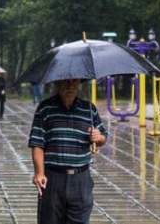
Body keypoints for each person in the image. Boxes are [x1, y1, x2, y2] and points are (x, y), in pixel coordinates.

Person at [28, 79, 108, 224]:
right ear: (57, 83)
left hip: (81, 180)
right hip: (52, 180)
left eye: (74, 82)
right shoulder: (45, 108)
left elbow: (103, 137)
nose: (70, 86)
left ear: (79, 83)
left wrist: (98, 137)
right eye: (66, 82)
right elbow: (37, 143)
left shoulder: (89, 109)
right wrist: (39, 173)